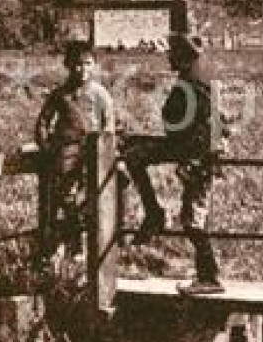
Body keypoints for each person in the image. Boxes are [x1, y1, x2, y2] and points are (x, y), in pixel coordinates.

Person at [123, 33, 225, 294]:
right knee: (135, 156)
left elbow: (212, 126)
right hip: (186, 148)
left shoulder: (197, 83)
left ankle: (209, 277)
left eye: (173, 53)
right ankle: (153, 212)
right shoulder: (194, 79)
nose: (168, 57)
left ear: (183, 56)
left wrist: (195, 160)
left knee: (192, 219)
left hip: (197, 155)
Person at [35, 39, 117, 258]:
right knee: (65, 199)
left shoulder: (100, 94)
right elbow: (43, 123)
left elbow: (109, 124)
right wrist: (47, 148)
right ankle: (71, 244)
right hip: (65, 155)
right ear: (68, 65)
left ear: (94, 65)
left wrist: (104, 149)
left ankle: (103, 249)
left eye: (88, 63)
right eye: (77, 64)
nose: (83, 70)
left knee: (95, 199)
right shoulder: (60, 95)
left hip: (92, 154)